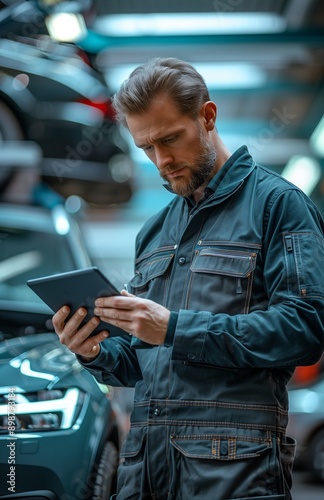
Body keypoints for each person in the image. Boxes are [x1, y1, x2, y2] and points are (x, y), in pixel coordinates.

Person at [53, 58, 324, 499]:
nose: (161, 161)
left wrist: (175, 328)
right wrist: (96, 350)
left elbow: (306, 329)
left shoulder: (278, 205)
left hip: (233, 469)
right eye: (146, 148)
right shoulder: (155, 233)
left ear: (208, 116)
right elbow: (141, 364)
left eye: (170, 140)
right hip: (145, 469)